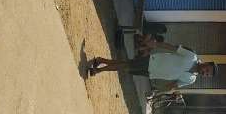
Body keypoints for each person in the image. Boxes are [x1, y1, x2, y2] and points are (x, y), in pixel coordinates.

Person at [87, 39, 217, 90]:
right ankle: (99, 70)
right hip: (153, 61)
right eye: (207, 70)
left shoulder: (191, 79)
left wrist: (159, 91)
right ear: (206, 63)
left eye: (207, 75)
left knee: (126, 65)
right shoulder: (192, 56)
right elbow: (172, 48)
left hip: (153, 74)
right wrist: (155, 44)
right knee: (126, 65)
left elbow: (175, 84)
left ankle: (101, 60)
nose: (205, 73)